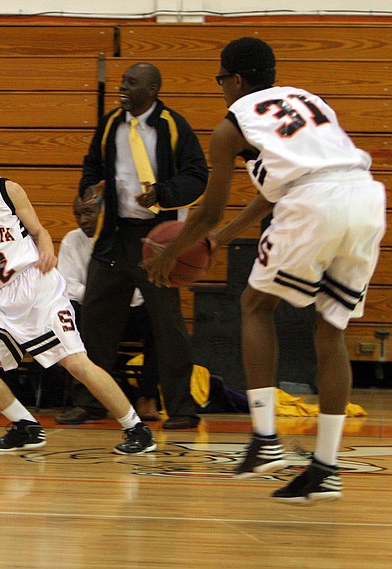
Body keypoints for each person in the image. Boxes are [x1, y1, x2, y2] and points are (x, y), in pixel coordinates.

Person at [143, 37, 385, 504]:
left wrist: (171, 254)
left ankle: (266, 439)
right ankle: (326, 467)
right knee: (330, 328)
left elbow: (208, 211)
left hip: (313, 203)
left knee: (255, 305)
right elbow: (272, 192)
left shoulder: (230, 127)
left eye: (220, 79)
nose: (220, 88)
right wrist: (221, 239)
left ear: (236, 79)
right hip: (364, 197)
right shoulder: (308, 101)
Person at [0, 122, 156, 454]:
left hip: (37, 288)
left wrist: (48, 250)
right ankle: (25, 425)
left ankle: (136, 428)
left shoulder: (7, 190)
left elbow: (39, 232)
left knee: (76, 363)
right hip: (0, 298)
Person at [76, 62, 207, 430]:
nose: (123, 87)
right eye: (122, 81)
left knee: (168, 326)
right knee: (95, 320)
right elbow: (92, 164)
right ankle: (89, 403)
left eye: (131, 83)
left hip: (157, 239)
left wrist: (163, 193)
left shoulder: (174, 126)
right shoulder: (110, 124)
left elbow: (197, 176)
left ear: (152, 90)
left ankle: (181, 409)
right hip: (115, 235)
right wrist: (89, 188)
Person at [55, 195, 160, 423]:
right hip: (93, 311)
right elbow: (67, 286)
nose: (83, 220)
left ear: (105, 212)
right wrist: (100, 298)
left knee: (157, 320)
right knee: (72, 314)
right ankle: (88, 402)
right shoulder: (72, 240)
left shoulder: (125, 237)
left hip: (130, 311)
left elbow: (139, 289)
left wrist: (108, 298)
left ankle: (147, 396)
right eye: (78, 214)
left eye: (89, 212)